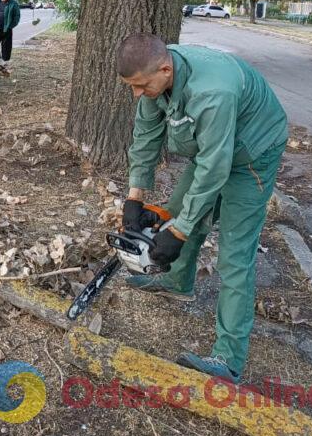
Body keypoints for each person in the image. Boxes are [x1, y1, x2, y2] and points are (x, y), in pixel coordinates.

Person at [117, 34, 287, 383]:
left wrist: (178, 232)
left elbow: (214, 170)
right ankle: (179, 281)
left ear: (165, 69)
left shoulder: (213, 92)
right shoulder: (155, 79)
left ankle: (229, 359)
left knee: (235, 255)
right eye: (132, 87)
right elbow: (146, 137)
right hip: (213, 147)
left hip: (252, 153)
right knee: (180, 211)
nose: (137, 94)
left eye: (141, 86)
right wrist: (134, 197)